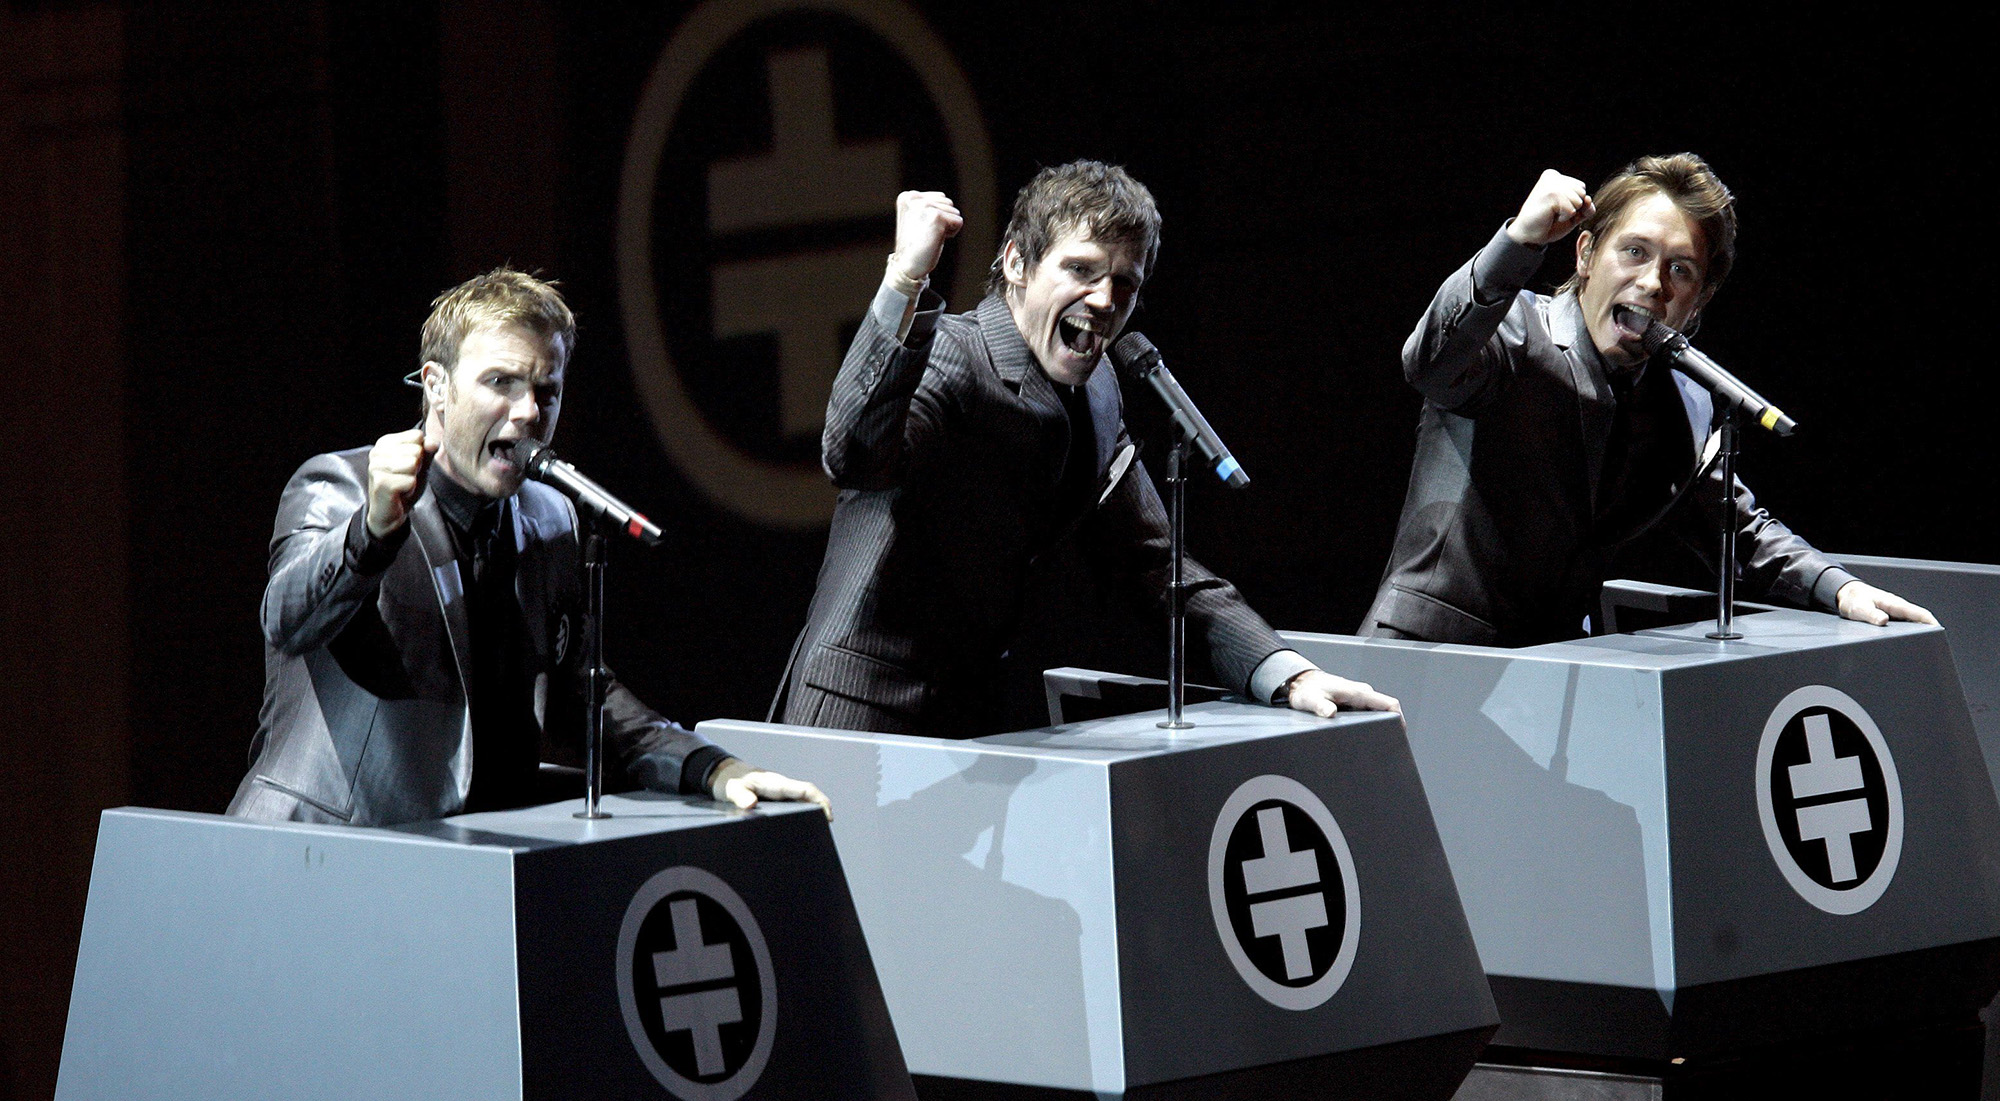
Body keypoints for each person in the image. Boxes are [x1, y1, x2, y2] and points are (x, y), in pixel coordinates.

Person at [777, 160, 1397, 737]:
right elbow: (853, 456)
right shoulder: (954, 355)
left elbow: (1156, 567)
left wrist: (1288, 673)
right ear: (1018, 263)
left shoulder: (1100, 394)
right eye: (1081, 270)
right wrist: (904, 281)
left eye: (1123, 283)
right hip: (857, 714)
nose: (1104, 300)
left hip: (972, 724)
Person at [229, 269, 826, 826]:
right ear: (437, 387)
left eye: (547, 390)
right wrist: (371, 532)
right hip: (323, 846)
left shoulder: (549, 516)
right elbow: (288, 619)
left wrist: (710, 767)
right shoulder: (341, 486)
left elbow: (582, 692)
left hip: (462, 854)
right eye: (500, 383)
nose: (528, 412)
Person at [1364, 153, 1933, 646]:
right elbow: (1430, 361)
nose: (1653, 283)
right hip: (1429, 657)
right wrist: (1518, 243)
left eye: (1679, 269)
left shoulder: (1684, 400)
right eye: (1634, 251)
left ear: (1699, 300)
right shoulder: (1509, 331)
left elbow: (1735, 527)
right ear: (1585, 255)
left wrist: (1841, 588)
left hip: (1557, 672)